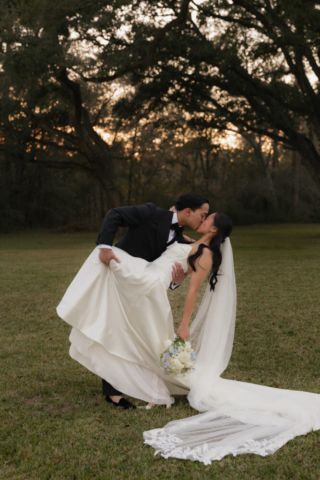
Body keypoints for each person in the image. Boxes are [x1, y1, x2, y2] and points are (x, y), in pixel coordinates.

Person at [57, 192, 210, 409]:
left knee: (127, 335)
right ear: (188, 211)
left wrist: (176, 281)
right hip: (116, 277)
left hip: (137, 290)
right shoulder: (150, 212)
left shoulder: (178, 236)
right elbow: (114, 214)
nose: (203, 220)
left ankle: (130, 383)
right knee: (110, 330)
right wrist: (105, 246)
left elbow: (160, 270)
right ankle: (113, 393)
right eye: (202, 215)